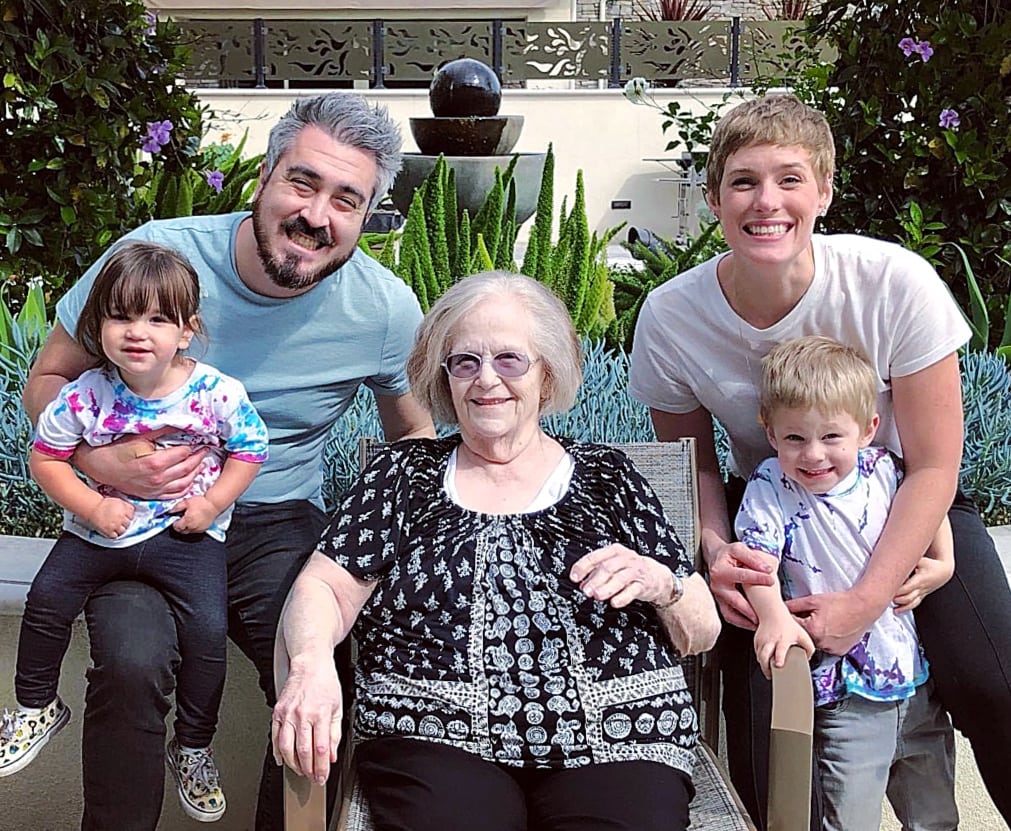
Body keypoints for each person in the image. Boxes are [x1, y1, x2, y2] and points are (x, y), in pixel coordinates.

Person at [21, 93, 435, 831]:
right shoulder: (157, 256)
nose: (317, 215)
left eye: (347, 199)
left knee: (327, 666)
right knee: (134, 659)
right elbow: (47, 382)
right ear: (264, 178)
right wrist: (105, 463)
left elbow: (412, 443)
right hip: (137, 518)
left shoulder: (384, 308)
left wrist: (409, 547)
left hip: (274, 521)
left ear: (368, 215)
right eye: (303, 183)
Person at [628, 92, 1011, 828]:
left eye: (789, 178)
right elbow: (693, 464)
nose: (764, 201)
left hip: (903, 501)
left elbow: (934, 463)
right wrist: (717, 554)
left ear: (825, 191)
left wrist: (868, 597)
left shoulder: (891, 283)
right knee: (771, 735)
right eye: (742, 181)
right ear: (712, 198)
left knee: (996, 685)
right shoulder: (672, 316)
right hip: (772, 515)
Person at [271, 271, 721, 831]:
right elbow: (324, 587)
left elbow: (700, 632)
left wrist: (664, 583)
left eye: (510, 359)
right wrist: (311, 667)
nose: (487, 380)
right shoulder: (403, 476)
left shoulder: (609, 475)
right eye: (465, 362)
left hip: (619, 733)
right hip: (433, 732)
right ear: (445, 379)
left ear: (546, 373)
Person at [1, 241, 268, 821]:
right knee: (46, 601)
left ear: (187, 330)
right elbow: (46, 458)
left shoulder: (216, 394)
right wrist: (93, 510)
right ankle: (35, 706)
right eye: (121, 316)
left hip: (184, 536)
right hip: (101, 533)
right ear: (97, 326)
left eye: (157, 318)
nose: (137, 332)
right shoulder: (87, 394)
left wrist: (212, 504)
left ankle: (193, 744)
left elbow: (250, 450)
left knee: (206, 633)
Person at [737, 335, 957, 831]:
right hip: (846, 694)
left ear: (866, 429)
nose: (813, 454)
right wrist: (771, 617)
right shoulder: (772, 485)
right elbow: (756, 560)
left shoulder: (881, 468)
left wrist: (942, 562)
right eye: (795, 438)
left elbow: (928, 501)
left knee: (935, 816)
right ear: (771, 434)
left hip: (914, 683)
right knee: (850, 820)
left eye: (831, 437)